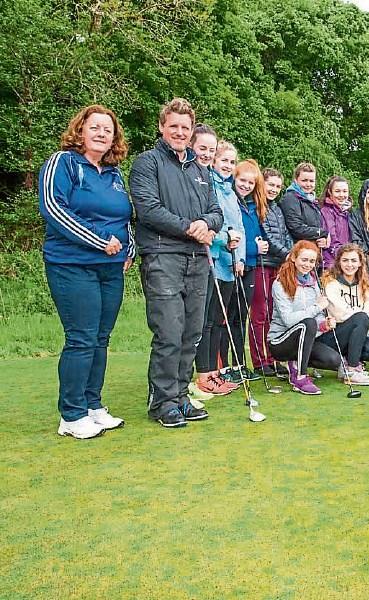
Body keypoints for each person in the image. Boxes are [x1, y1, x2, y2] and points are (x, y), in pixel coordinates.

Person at [39, 104, 133, 439]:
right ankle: (72, 414)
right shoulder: (61, 163)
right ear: (80, 130)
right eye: (94, 127)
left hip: (110, 269)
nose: (101, 133)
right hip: (72, 265)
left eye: (108, 130)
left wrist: (129, 247)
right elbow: (52, 207)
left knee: (101, 338)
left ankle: (93, 406)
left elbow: (122, 217)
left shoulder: (113, 173)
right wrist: (97, 241)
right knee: (81, 338)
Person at [129, 97, 223, 428]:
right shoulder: (147, 163)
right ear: (162, 127)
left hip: (197, 259)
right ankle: (162, 401)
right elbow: (149, 209)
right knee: (169, 331)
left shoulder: (200, 170)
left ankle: (181, 396)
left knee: (191, 332)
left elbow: (216, 211)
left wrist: (207, 225)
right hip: (162, 256)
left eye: (185, 127)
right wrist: (189, 227)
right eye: (174, 127)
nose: (180, 132)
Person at [192, 140, 244, 397]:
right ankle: (205, 373)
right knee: (206, 322)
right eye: (224, 160)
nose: (228, 165)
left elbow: (239, 227)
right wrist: (225, 239)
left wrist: (240, 258)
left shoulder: (231, 191)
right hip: (211, 258)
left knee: (216, 321)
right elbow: (212, 221)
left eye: (232, 162)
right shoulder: (208, 184)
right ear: (214, 161)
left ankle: (214, 372)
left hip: (228, 264)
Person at [267, 241, 351, 394]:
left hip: (306, 337)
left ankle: (295, 363)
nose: (308, 264)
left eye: (312, 261)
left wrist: (323, 325)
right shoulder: (280, 283)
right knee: (308, 322)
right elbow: (288, 320)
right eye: (304, 260)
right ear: (293, 258)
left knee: (333, 360)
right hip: (280, 341)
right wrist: (317, 308)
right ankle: (300, 377)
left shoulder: (313, 282)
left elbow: (317, 316)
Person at [218, 159, 268, 383]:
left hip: (250, 266)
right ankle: (223, 366)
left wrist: (259, 247)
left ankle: (239, 363)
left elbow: (256, 235)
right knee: (225, 317)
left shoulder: (252, 207)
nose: (246, 185)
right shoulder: (229, 200)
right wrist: (253, 248)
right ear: (234, 178)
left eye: (251, 182)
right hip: (231, 263)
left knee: (240, 317)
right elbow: (235, 236)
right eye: (243, 180)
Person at [321, 244, 369, 385]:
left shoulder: (365, 286)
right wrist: (364, 316)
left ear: (360, 263)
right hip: (334, 336)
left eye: (354, 261)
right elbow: (340, 314)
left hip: (356, 335)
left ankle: (348, 363)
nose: (350, 265)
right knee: (360, 317)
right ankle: (352, 370)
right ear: (339, 262)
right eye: (345, 260)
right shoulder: (331, 284)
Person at [250, 167, 288, 378]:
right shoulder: (256, 206)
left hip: (276, 265)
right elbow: (268, 238)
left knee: (273, 313)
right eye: (270, 184)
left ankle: (272, 358)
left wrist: (291, 252)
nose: (273, 189)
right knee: (260, 313)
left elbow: (284, 235)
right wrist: (289, 255)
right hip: (261, 263)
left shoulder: (277, 208)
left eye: (277, 186)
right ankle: (259, 360)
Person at [319, 176, 368, 269]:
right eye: (337, 191)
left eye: (345, 191)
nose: (342, 195)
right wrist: (345, 256)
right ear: (330, 192)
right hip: (331, 263)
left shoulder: (347, 212)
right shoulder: (326, 211)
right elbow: (332, 238)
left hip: (346, 262)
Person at [280, 162, 329, 251]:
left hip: (312, 251)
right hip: (297, 251)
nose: (308, 184)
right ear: (295, 180)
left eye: (311, 181)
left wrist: (323, 239)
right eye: (304, 180)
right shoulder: (290, 198)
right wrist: (322, 232)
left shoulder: (313, 201)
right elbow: (296, 228)